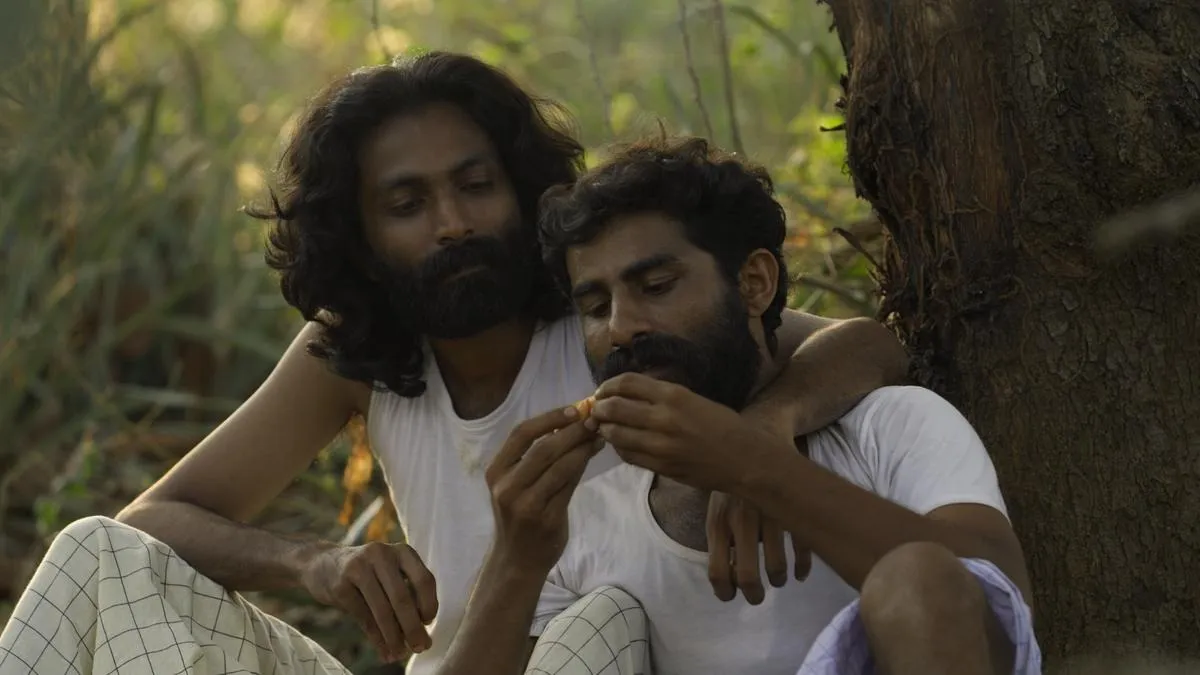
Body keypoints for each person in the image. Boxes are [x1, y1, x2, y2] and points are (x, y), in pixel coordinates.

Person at [0, 55, 909, 675]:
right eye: (408, 202)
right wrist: (316, 562)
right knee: (92, 551)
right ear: (360, 234)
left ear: (522, 187)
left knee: (599, 627)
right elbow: (159, 517)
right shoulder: (355, 352)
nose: (453, 222)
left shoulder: (606, 317)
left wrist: (760, 435)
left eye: (476, 184)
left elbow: (868, 342)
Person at [440, 137, 1040, 675]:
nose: (621, 329)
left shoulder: (888, 429)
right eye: (596, 308)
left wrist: (755, 466)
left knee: (920, 575)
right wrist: (516, 561)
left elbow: (997, 601)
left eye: (656, 287)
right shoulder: (587, 524)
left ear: (754, 283)